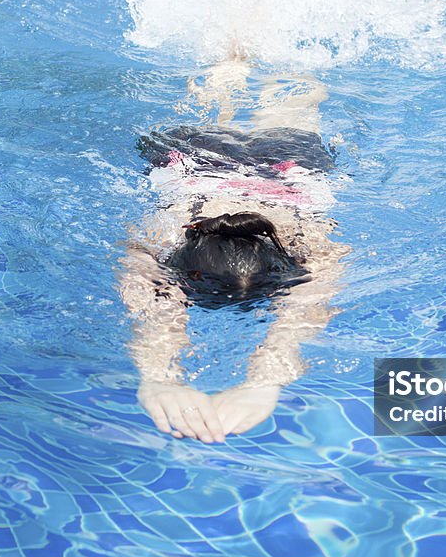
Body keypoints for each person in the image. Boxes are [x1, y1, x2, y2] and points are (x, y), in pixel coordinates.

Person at [119, 60, 347, 443]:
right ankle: (239, 60)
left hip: (288, 162)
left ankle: (236, 59)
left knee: (284, 92)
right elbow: (153, 292)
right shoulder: (170, 233)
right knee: (222, 93)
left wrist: (160, 376)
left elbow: (157, 303)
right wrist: (264, 382)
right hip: (192, 156)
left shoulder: (308, 243)